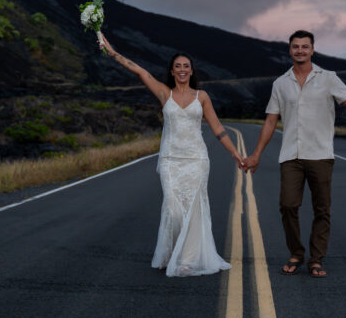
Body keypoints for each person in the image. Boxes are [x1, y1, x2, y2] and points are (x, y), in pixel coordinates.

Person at [100, 33, 242, 277]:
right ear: (173, 71)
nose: (182, 70)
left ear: (192, 70)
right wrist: (111, 52)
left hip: (196, 160)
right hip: (170, 160)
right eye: (178, 66)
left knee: (193, 210)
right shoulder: (164, 93)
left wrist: (235, 154)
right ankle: (171, 253)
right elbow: (140, 71)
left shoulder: (202, 97)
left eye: (186, 66)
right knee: (174, 210)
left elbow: (218, 129)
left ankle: (186, 259)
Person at [244, 30, 346, 278]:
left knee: (322, 209)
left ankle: (316, 259)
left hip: (320, 154)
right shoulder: (280, 83)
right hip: (291, 156)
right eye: (296, 47)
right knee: (287, 205)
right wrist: (256, 154)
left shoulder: (328, 78)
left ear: (313, 50)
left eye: (305, 47)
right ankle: (296, 252)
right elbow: (271, 121)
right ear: (290, 50)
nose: (300, 51)